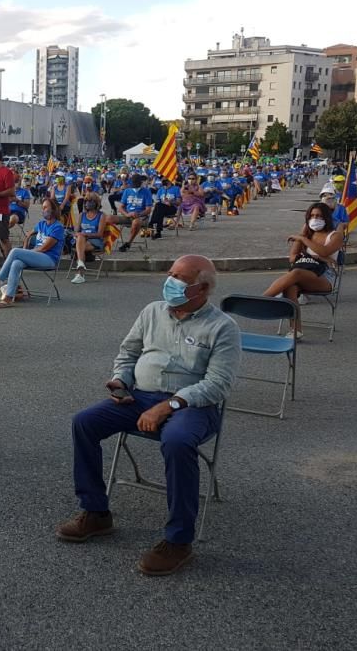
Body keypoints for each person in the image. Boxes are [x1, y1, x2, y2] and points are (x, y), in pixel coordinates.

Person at [55, 255, 241, 576]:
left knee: (178, 441)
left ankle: (179, 540)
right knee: (84, 422)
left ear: (203, 288)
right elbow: (128, 352)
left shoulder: (223, 327)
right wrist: (121, 381)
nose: (170, 281)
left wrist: (170, 405)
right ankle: (96, 511)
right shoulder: (153, 311)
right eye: (171, 274)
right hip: (139, 397)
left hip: (193, 406)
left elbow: (217, 385)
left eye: (180, 278)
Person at [261, 202, 344, 338]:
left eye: (318, 216)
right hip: (302, 271)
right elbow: (293, 258)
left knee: (296, 274)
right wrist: (310, 247)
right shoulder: (306, 235)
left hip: (324, 277)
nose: (315, 219)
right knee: (291, 286)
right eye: (311, 216)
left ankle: (264, 299)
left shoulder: (335, 236)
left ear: (326, 218)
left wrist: (303, 240)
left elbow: (325, 251)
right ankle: (296, 330)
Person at [0, 198, 63, 309]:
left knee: (15, 251)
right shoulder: (41, 224)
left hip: (49, 258)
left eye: (45, 207)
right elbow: (29, 235)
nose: (43, 210)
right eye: (42, 207)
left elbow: (44, 248)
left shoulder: (58, 227)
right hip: (37, 255)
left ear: (53, 210)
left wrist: (25, 252)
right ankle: (8, 297)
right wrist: (25, 246)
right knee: (17, 263)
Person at [71, 193, 107, 284]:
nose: (88, 203)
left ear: (96, 203)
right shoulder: (82, 215)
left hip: (95, 241)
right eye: (86, 201)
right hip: (82, 241)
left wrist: (85, 235)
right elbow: (76, 231)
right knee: (80, 239)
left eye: (91, 201)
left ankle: (80, 271)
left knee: (81, 240)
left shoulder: (101, 215)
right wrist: (79, 234)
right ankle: (80, 270)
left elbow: (99, 234)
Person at [116, 175, 153, 251]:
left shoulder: (146, 191)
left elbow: (148, 210)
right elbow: (120, 207)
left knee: (136, 222)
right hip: (128, 215)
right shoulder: (127, 191)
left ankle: (128, 243)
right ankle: (102, 243)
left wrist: (138, 214)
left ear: (140, 183)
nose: (134, 186)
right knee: (108, 218)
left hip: (141, 216)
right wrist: (127, 214)